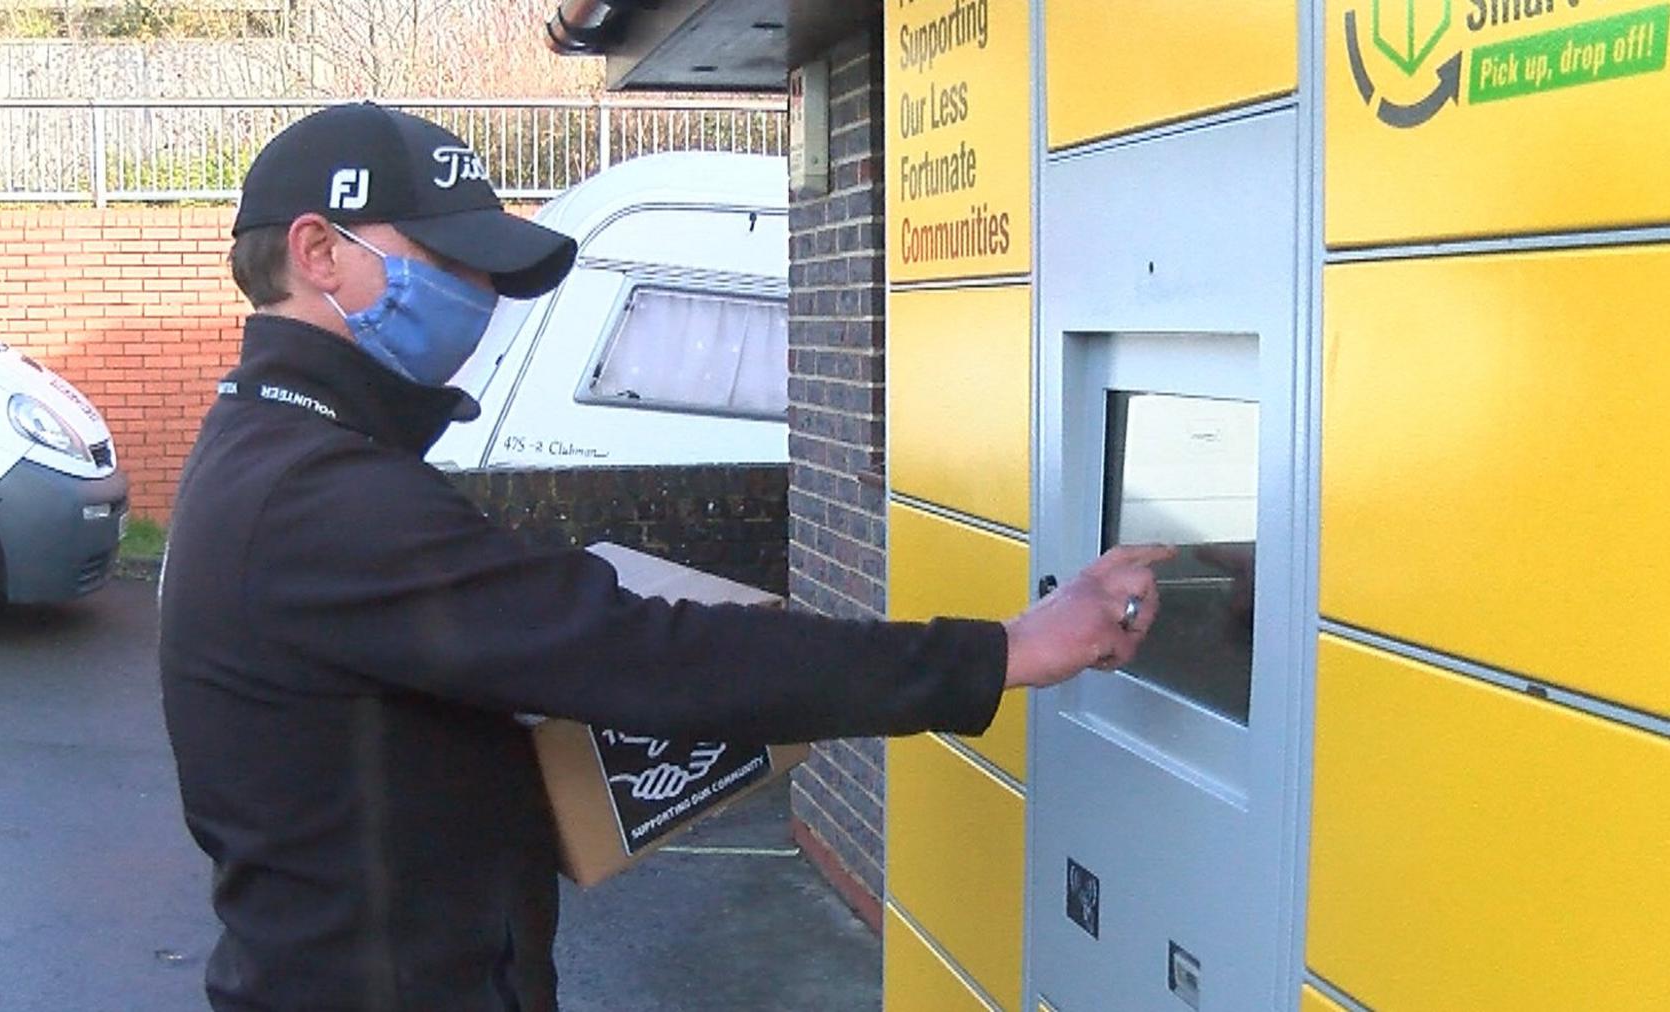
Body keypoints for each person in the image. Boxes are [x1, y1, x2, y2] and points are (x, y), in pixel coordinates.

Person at [158, 102, 1172, 1012]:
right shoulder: (319, 497)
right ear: (316, 250)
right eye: (449, 260)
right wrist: (1002, 651)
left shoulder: (280, 455)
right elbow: (649, 655)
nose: (478, 297)